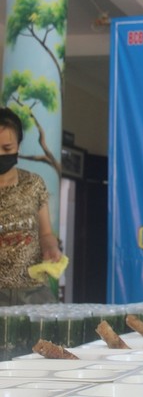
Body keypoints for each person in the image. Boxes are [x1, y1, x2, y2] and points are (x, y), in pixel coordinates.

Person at [0, 107, 62, 305]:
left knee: (46, 336)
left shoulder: (33, 183)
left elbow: (45, 234)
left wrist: (51, 248)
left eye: (7, 148)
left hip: (33, 292)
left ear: (18, 145)